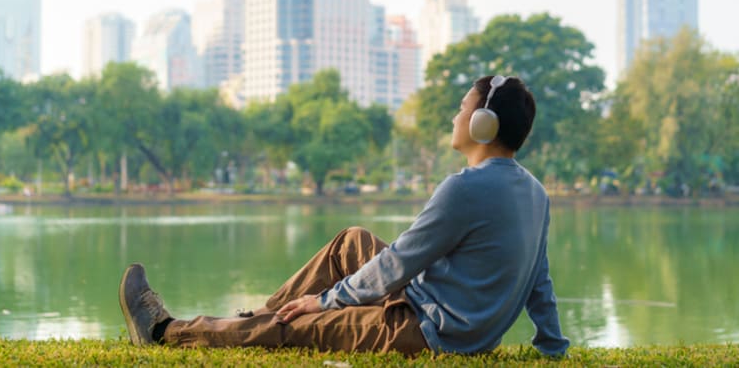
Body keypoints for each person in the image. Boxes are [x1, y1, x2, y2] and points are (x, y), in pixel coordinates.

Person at [119, 75, 569, 356]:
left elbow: (399, 263)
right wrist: (551, 345)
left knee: (301, 328)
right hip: (432, 308)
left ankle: (162, 331)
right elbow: (540, 280)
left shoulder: (464, 188)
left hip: (428, 333)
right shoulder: (535, 192)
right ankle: (255, 318)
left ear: (482, 124)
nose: (455, 116)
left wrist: (325, 300)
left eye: (462, 107)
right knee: (349, 241)